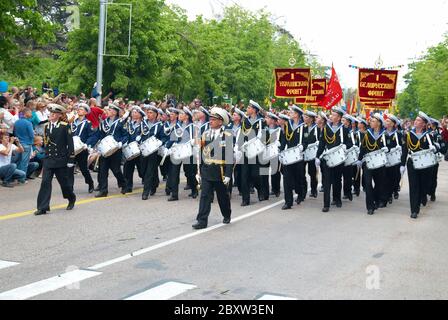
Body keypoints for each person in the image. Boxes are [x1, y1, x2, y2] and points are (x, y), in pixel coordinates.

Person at [192, 107, 233, 230]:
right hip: (206, 170)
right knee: (204, 196)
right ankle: (202, 220)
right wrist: (198, 171)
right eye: (210, 119)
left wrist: (228, 174)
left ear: (221, 122)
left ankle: (226, 214)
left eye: (214, 119)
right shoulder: (205, 134)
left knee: (222, 196)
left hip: (220, 171)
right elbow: (200, 154)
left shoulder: (228, 135)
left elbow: (230, 156)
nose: (211, 121)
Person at [34, 104, 77, 215]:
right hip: (49, 159)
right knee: (45, 182)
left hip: (60, 159)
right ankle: (43, 207)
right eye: (51, 113)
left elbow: (70, 144)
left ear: (58, 115)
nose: (51, 115)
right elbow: (47, 143)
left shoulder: (64, 126)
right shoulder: (47, 126)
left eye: (54, 113)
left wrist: (71, 159)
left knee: (64, 183)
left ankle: (71, 197)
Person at [401, 111, 440, 219]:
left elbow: (436, 148)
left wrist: (435, 148)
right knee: (413, 186)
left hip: (425, 164)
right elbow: (405, 150)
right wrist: (402, 164)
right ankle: (414, 209)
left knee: (423, 185)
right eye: (416, 120)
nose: (416, 122)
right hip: (412, 162)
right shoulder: (408, 134)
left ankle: (422, 197)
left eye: (419, 120)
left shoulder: (428, 135)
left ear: (423, 124)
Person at [315, 107, 353, 213]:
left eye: (334, 115)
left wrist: (346, 146)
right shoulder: (326, 128)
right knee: (327, 181)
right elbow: (322, 143)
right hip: (327, 158)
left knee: (337, 180)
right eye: (331, 114)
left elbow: (350, 143)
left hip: (339, 159)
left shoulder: (345, 129)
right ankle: (326, 204)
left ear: (339, 117)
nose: (331, 116)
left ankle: (337, 199)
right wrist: (318, 157)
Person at [357, 113, 388, 215]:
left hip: (380, 163)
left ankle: (376, 200)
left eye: (373, 121)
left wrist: (388, 148)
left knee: (379, 184)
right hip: (368, 162)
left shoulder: (385, 134)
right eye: (370, 121)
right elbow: (363, 147)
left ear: (379, 123)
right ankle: (370, 207)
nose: (370, 122)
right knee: (368, 184)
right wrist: (359, 159)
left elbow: (391, 145)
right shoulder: (367, 134)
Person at [95, 104, 128, 198]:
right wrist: (98, 146)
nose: (107, 112)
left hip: (116, 149)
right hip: (105, 150)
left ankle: (123, 183)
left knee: (116, 170)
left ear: (114, 112)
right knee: (102, 170)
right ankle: (103, 190)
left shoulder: (121, 122)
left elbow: (125, 135)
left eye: (109, 110)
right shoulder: (103, 122)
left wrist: (121, 142)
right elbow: (99, 135)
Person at [279, 105, 307, 210]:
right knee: (286, 179)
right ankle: (288, 202)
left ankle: (300, 193)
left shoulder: (304, 126)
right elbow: (284, 140)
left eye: (292, 112)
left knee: (298, 178)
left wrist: (302, 147)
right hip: (288, 155)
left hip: (298, 157)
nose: (290, 113)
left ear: (297, 114)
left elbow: (306, 141)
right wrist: (281, 151)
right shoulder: (287, 125)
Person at [68, 103, 96, 193]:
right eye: (78, 109)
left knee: (83, 168)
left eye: (81, 109)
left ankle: (90, 182)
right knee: (70, 167)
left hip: (82, 149)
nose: (79, 110)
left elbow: (91, 136)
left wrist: (86, 144)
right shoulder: (72, 122)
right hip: (72, 148)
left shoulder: (88, 123)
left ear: (85, 112)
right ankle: (70, 187)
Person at [141, 103, 167, 200]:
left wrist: (161, 141)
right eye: (148, 112)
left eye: (151, 113)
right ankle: (155, 182)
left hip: (153, 151)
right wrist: (138, 138)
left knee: (149, 171)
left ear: (156, 114)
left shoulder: (160, 125)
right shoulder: (143, 123)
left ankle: (145, 192)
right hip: (143, 150)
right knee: (143, 170)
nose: (148, 114)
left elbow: (164, 137)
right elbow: (138, 134)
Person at [122, 106, 145, 193]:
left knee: (142, 169)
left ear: (140, 115)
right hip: (130, 149)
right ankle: (128, 186)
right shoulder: (128, 124)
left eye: (136, 112)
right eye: (133, 112)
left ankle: (150, 181)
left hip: (140, 150)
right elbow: (125, 134)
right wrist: (124, 142)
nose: (133, 114)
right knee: (128, 168)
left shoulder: (143, 124)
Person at [384, 115, 403, 203]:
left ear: (392, 124)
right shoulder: (383, 133)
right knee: (387, 176)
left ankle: (395, 190)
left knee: (395, 176)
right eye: (386, 121)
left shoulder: (398, 134)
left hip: (396, 158)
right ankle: (388, 194)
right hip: (385, 157)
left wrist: (399, 148)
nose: (386, 122)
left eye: (388, 121)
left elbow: (403, 145)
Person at [13, 107, 34, 175]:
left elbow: (15, 133)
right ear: (26, 113)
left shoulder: (17, 122)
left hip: (18, 144)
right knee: (24, 162)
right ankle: (22, 178)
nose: (31, 114)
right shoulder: (28, 123)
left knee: (19, 161)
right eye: (30, 112)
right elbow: (31, 135)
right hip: (26, 144)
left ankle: (18, 177)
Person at [302, 110, 319, 199]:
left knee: (312, 173)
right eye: (304, 117)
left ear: (311, 119)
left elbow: (319, 141)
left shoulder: (316, 128)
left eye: (307, 117)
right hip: (303, 152)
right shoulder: (303, 127)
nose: (304, 118)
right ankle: (303, 190)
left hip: (312, 153)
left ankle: (313, 190)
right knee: (301, 172)